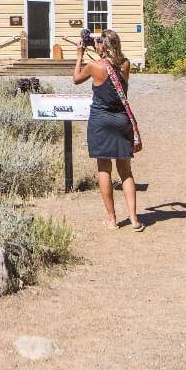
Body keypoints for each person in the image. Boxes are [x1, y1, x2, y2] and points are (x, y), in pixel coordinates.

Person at [72, 29, 144, 231]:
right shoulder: (125, 64)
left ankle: (113, 219)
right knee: (126, 171)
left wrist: (79, 56)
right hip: (121, 120)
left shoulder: (93, 66)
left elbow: (76, 79)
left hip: (101, 121)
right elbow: (111, 65)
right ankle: (134, 219)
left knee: (104, 168)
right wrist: (99, 49)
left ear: (103, 46)